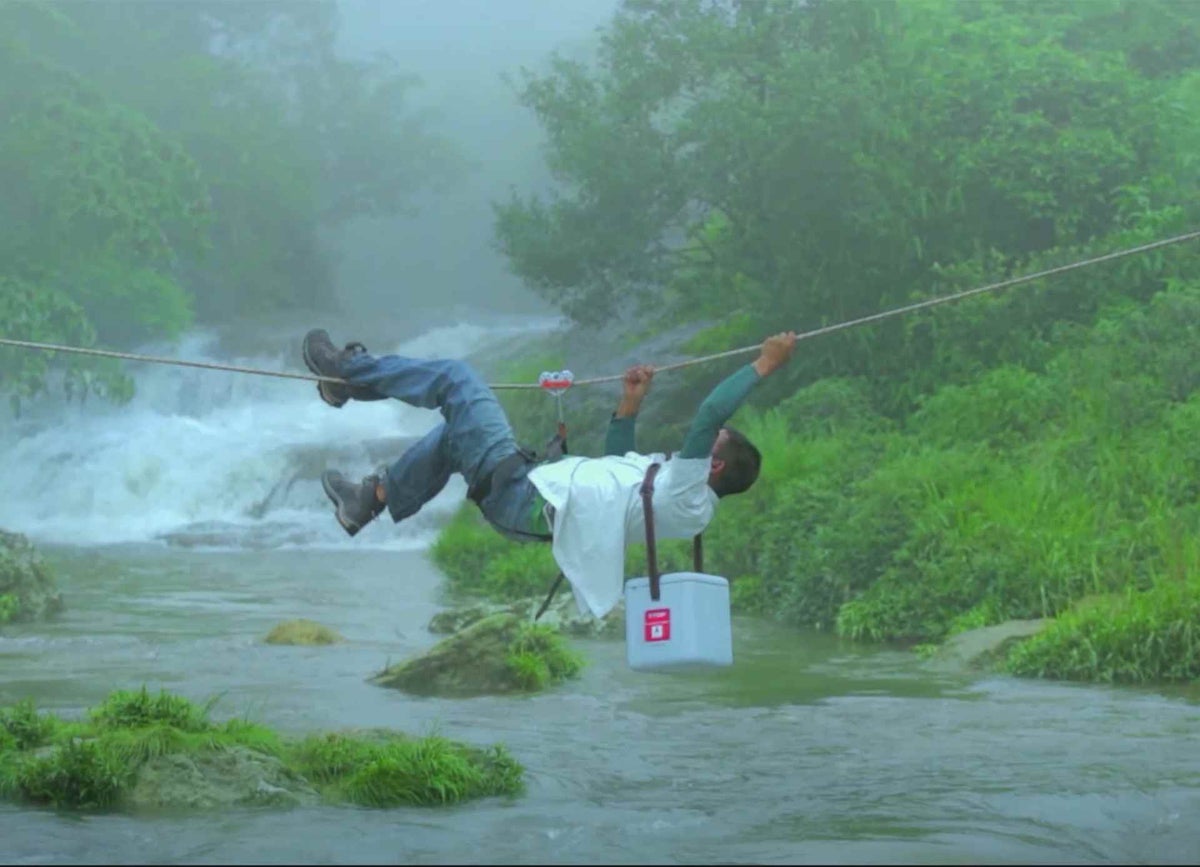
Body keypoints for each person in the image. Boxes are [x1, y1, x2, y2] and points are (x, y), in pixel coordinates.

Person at [302, 328, 797, 617]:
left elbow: (711, 411)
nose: (697, 440)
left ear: (713, 465)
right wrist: (630, 405)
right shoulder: (675, 492)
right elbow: (616, 467)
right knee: (456, 434)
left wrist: (764, 364)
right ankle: (372, 498)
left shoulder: (691, 496)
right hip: (526, 495)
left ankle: (347, 373)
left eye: (711, 444)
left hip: (524, 498)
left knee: (459, 380)